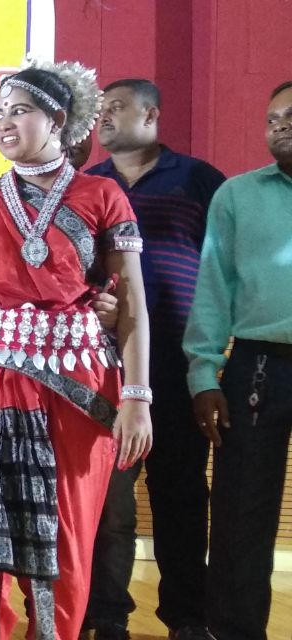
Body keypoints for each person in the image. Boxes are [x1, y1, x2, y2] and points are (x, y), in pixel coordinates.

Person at [0, 61, 153, 639]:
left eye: (20, 111)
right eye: (0, 113)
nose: (5, 122)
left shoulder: (102, 194)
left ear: (58, 119)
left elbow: (131, 304)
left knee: (63, 539)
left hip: (73, 384)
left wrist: (137, 396)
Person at [84, 78, 226, 640]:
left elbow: (223, 265)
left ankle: (187, 619)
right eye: (100, 110)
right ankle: (106, 616)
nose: (104, 117)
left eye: (117, 107)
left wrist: (212, 359)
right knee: (109, 504)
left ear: (152, 115)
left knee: (182, 497)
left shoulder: (198, 179)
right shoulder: (90, 185)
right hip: (104, 366)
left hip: (181, 361)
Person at [184, 80, 292, 640]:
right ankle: (233, 631)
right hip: (258, 369)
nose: (280, 126)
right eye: (272, 119)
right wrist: (203, 372)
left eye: (291, 116)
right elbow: (213, 287)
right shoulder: (237, 196)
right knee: (241, 513)